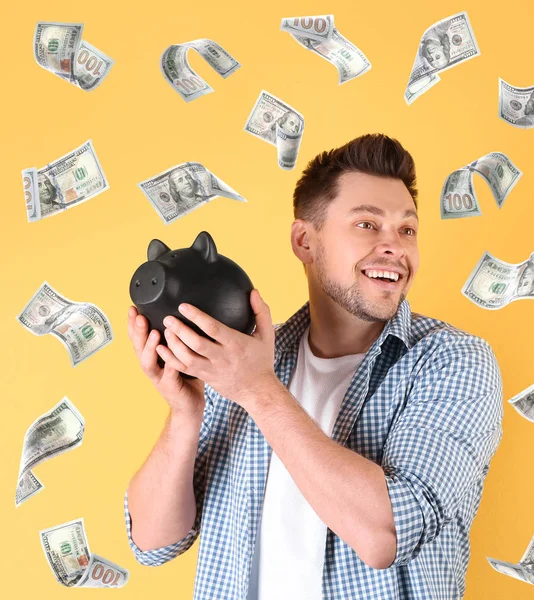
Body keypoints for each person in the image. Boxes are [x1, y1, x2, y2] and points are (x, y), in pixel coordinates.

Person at [124, 134, 503, 600]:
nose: (394, 247)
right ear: (305, 241)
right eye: (367, 224)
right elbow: (153, 541)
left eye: (407, 230)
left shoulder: (452, 361)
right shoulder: (246, 361)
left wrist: (258, 391)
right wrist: (184, 412)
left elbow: (385, 536)